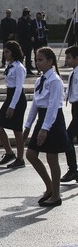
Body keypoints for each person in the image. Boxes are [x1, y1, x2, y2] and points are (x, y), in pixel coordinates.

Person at [23, 47, 70, 207]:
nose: (38, 63)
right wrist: (28, 126)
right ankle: (49, 186)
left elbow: (53, 106)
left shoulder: (55, 80)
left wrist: (45, 129)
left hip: (53, 121)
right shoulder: (40, 80)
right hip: (42, 119)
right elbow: (35, 104)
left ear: (50, 62)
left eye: (41, 60)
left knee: (52, 158)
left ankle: (56, 195)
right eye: (36, 60)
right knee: (30, 154)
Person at [0, 41, 27, 169]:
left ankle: (20, 158)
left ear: (13, 52)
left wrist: (12, 106)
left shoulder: (19, 67)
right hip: (10, 96)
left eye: (7, 51)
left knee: (17, 130)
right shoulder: (9, 65)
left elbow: (19, 88)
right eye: (4, 51)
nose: (5, 54)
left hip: (17, 99)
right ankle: (9, 152)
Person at [60, 45, 78, 183]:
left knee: (67, 137)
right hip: (74, 108)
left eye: (69, 57)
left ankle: (72, 170)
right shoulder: (73, 73)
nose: (66, 60)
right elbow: (69, 92)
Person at [17, 7, 34, 75]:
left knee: (28, 57)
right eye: (27, 13)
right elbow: (21, 32)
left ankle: (28, 69)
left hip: (29, 42)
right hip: (23, 42)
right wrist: (29, 37)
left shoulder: (29, 21)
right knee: (21, 56)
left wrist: (32, 37)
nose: (28, 15)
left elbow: (31, 30)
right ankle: (20, 69)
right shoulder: (20, 21)